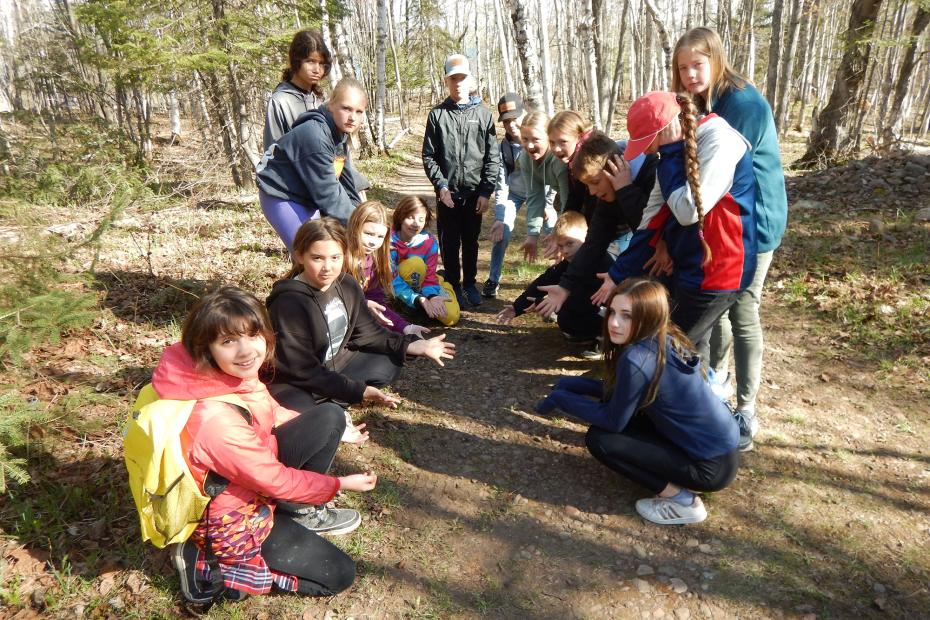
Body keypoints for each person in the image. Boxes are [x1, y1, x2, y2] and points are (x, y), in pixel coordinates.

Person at [154, 286, 378, 603]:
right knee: (339, 574)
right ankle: (207, 560)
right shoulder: (214, 419)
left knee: (330, 416)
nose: (247, 351)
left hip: (253, 483)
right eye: (229, 341)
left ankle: (293, 512)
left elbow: (269, 410)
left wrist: (339, 429)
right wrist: (337, 483)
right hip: (232, 515)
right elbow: (274, 479)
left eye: (253, 335)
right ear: (207, 348)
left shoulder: (227, 375)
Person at [536, 278, 740, 525]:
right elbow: (623, 394)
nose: (614, 323)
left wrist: (562, 399)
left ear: (649, 316)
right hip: (722, 448)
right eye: (612, 311)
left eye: (627, 316)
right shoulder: (664, 336)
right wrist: (572, 384)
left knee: (601, 440)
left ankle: (683, 502)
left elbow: (613, 422)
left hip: (710, 467)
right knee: (631, 418)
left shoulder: (638, 357)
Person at [673, 27, 789, 449]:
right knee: (719, 306)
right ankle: (715, 384)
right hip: (721, 227)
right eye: (682, 67)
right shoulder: (702, 101)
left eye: (697, 65)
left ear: (717, 60)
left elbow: (713, 172)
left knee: (742, 310)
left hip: (754, 223)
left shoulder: (742, 104)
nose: (689, 75)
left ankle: (747, 408)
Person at [591, 92, 757, 365]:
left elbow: (688, 210)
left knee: (670, 351)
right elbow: (650, 221)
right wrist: (616, 273)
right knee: (689, 350)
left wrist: (668, 153)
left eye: (649, 142)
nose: (646, 151)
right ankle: (696, 398)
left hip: (720, 270)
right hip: (689, 265)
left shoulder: (719, 142)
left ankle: (656, 400)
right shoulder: (671, 155)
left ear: (667, 129)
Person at [265, 219, 455, 412]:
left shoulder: (346, 284)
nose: (327, 267)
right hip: (298, 380)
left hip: (335, 363)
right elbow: (300, 370)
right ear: (299, 256)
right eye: (317, 258)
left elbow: (368, 332)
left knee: (390, 363)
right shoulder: (288, 303)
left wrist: (412, 344)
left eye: (335, 257)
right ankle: (329, 408)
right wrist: (358, 391)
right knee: (313, 416)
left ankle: (332, 401)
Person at [530, 133, 658, 330]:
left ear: (615, 170)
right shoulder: (607, 197)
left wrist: (624, 190)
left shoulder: (650, 172)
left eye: (596, 182)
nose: (591, 192)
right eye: (587, 185)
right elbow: (593, 243)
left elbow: (649, 227)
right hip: (648, 257)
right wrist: (565, 286)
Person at [421, 53, 500, 308]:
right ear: (446, 82)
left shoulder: (484, 115)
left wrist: (486, 192)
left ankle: (469, 284)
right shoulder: (437, 115)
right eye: (452, 79)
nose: (458, 83)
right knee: (449, 241)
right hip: (448, 195)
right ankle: (453, 283)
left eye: (462, 78)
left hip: (474, 194)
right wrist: (441, 186)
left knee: (470, 241)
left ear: (471, 81)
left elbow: (492, 157)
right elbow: (429, 155)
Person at [256, 78, 367, 252]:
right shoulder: (316, 137)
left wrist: (362, 216)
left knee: (325, 256)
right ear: (331, 104)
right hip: (281, 195)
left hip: (305, 194)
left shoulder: (339, 132)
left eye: (359, 112)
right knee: (310, 255)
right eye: (346, 108)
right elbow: (330, 196)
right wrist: (360, 229)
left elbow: (346, 183)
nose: (353, 117)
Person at [496, 211, 605, 343]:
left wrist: (544, 303)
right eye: (560, 246)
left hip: (607, 310)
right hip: (588, 308)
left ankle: (604, 338)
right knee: (565, 318)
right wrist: (517, 307)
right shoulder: (568, 262)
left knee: (565, 311)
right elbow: (544, 281)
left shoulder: (599, 261)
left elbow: (588, 298)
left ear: (586, 237)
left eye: (570, 243)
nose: (564, 251)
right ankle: (590, 334)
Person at [345, 200, 430, 338]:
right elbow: (332, 298)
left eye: (380, 237)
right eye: (368, 233)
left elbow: (377, 302)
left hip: (360, 315)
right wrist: (364, 304)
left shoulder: (375, 261)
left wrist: (406, 327)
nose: (373, 241)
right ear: (355, 227)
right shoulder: (338, 258)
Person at [390, 195, 461, 327]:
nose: (416, 223)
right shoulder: (387, 240)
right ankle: (408, 305)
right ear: (400, 216)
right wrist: (417, 299)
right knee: (414, 264)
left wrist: (432, 296)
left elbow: (428, 277)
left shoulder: (429, 242)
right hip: (397, 286)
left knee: (451, 318)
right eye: (410, 217)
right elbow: (392, 279)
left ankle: (445, 286)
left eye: (421, 219)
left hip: (424, 286)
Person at [484, 92, 529, 298]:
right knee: (502, 232)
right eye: (506, 121)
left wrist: (547, 206)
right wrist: (500, 218)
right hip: (515, 194)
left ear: (525, 113)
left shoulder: (539, 138)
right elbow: (501, 186)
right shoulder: (503, 147)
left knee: (559, 232)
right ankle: (493, 279)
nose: (511, 125)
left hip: (542, 193)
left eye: (515, 118)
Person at [262, 29, 332, 151]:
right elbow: (273, 154)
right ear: (296, 61)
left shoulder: (319, 100)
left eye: (321, 63)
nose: (317, 69)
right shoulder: (280, 101)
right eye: (310, 61)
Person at [514, 111, 567, 263]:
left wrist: (562, 235)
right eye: (525, 139)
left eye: (536, 139)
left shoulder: (558, 160)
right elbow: (534, 197)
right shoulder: (525, 158)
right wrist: (532, 235)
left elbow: (567, 201)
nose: (529, 145)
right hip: (565, 199)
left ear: (549, 137)